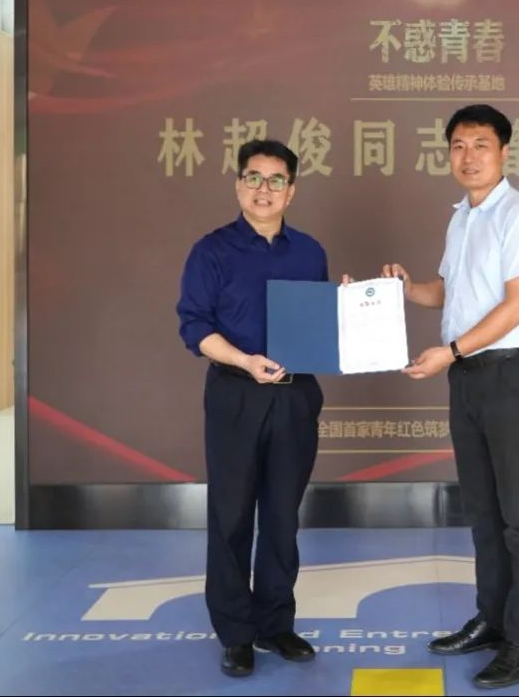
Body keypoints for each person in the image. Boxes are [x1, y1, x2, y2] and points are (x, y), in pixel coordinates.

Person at [386, 104, 519, 688]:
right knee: (483, 509)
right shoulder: (461, 218)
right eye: (458, 145)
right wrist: (406, 289)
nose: (468, 156)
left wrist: (451, 351)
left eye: (480, 144)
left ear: (504, 151)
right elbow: (449, 291)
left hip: (511, 376)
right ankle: (492, 619)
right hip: (466, 378)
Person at [176, 139, 327, 678]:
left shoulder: (309, 252)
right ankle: (236, 633)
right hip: (236, 395)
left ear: (292, 190)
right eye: (254, 178)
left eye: (276, 180)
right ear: (239, 184)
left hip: (295, 396)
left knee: (283, 516)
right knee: (232, 515)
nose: (264, 189)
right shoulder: (211, 251)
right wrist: (244, 360)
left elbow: (318, 325)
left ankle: (276, 624)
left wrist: (348, 308)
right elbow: (194, 326)